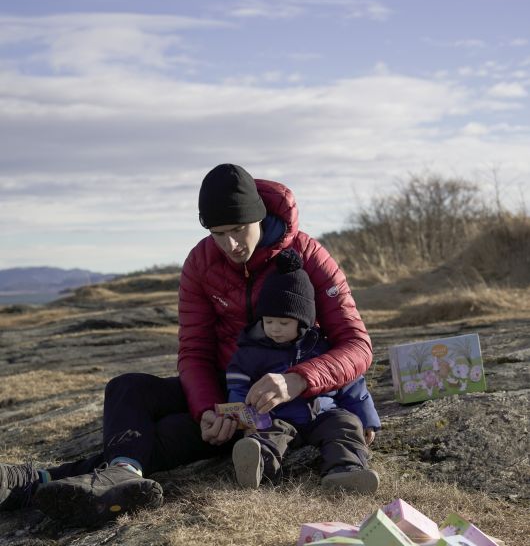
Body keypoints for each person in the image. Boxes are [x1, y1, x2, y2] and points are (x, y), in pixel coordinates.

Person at [0, 163, 374, 527]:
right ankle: (120, 475)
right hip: (227, 392)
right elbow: (194, 349)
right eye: (217, 232)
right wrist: (206, 410)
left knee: (163, 437)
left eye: (238, 229)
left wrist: (298, 379)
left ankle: (35, 482)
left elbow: (356, 344)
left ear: (258, 217)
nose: (230, 244)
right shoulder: (201, 261)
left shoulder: (309, 256)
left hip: (284, 409)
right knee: (128, 388)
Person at [227, 248, 380, 492]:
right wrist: (244, 421)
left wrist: (367, 420)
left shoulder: (322, 348)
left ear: (303, 321)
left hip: (324, 415)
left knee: (346, 425)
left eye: (284, 323)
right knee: (264, 436)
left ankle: (345, 471)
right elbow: (237, 387)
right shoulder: (250, 352)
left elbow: (353, 384)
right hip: (278, 418)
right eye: (269, 322)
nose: (275, 329)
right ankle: (257, 467)